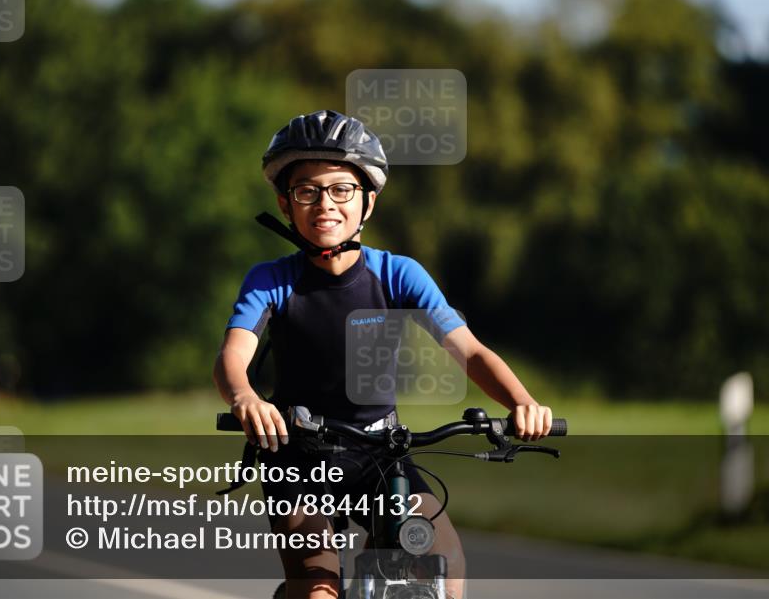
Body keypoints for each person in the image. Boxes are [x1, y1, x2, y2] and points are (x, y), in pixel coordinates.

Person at [214, 109, 553, 599]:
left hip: (380, 454)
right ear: (286, 204)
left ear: (367, 202)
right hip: (298, 457)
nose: (324, 203)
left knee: (442, 568)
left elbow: (469, 351)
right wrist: (244, 397)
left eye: (341, 189)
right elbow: (232, 356)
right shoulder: (272, 280)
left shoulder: (397, 274)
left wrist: (522, 401)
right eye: (307, 190)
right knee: (317, 587)